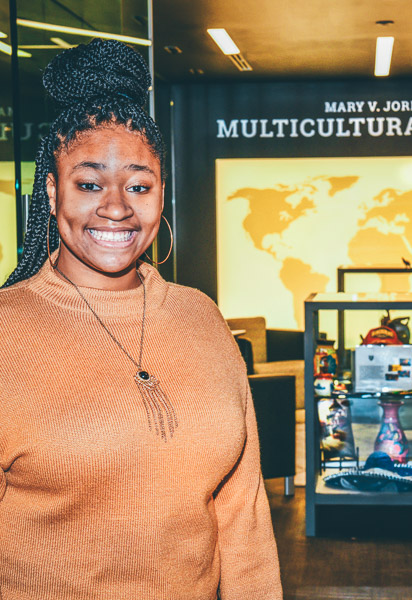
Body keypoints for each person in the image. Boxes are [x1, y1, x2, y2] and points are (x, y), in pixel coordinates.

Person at [0, 39, 282, 600]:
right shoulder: (7, 331)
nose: (117, 206)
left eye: (138, 185)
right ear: (52, 191)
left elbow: (241, 508)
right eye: (88, 184)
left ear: (161, 193)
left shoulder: (201, 316)